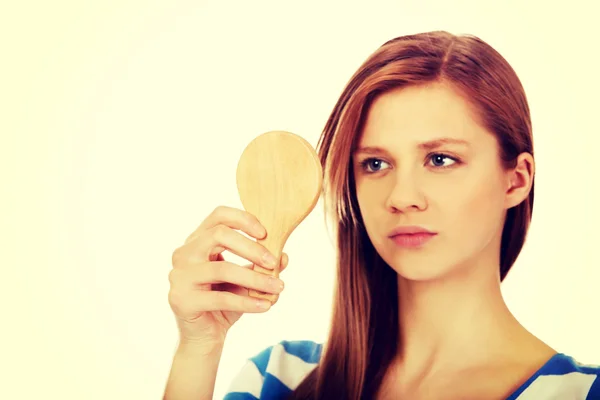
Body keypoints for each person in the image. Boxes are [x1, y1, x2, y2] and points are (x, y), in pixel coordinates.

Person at [163, 31, 600, 400]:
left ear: (516, 180)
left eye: (441, 159)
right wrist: (199, 347)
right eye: (375, 164)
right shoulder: (280, 380)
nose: (402, 197)